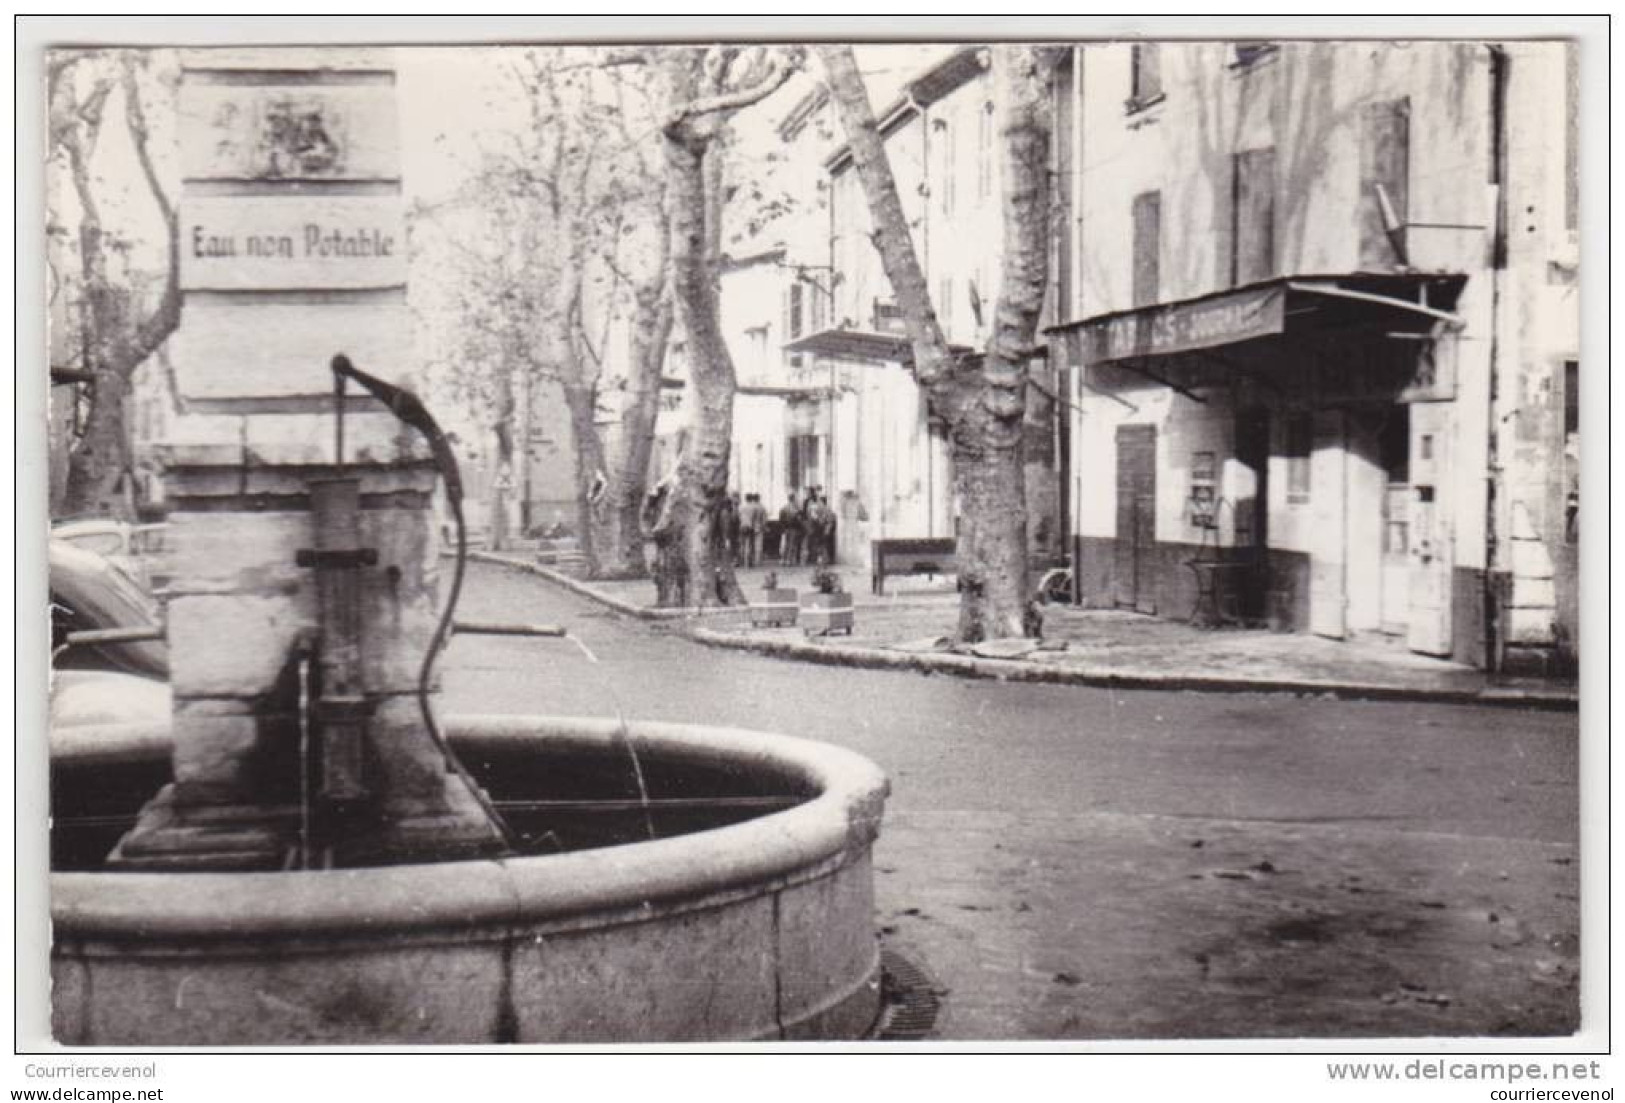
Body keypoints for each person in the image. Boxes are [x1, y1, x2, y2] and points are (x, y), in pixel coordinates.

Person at [740, 493, 768, 568]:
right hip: (757, 527)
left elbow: (740, 517)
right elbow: (764, 519)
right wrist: (764, 527)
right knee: (758, 545)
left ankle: (745, 561)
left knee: (746, 544)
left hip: (744, 527)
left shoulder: (742, 507)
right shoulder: (761, 507)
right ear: (759, 498)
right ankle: (757, 561)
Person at [778, 492, 804, 565]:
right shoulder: (796, 509)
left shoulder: (784, 508)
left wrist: (782, 527)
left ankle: (783, 559)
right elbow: (799, 519)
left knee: (785, 544)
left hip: (785, 528)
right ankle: (789, 560)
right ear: (794, 499)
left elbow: (781, 519)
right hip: (793, 528)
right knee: (792, 544)